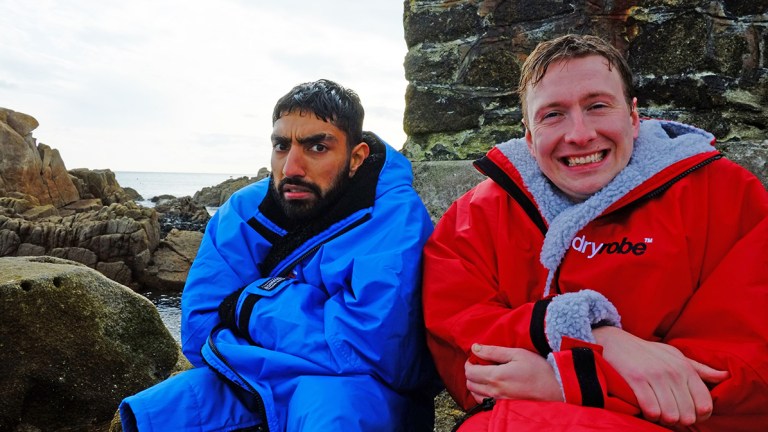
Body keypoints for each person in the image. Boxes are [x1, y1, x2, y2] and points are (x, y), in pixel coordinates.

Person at [422, 34, 768, 431]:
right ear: (529, 136)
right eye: (553, 114)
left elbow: (745, 366)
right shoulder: (478, 214)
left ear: (634, 116)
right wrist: (595, 336)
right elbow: (467, 352)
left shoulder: (723, 194)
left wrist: (571, 382)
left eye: (598, 106)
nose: (580, 134)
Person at [119, 79, 437, 431]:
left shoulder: (394, 216)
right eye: (282, 146)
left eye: (317, 147)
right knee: (160, 411)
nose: (291, 168)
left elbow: (375, 350)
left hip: (356, 390)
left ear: (356, 157)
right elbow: (199, 332)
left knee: (331, 414)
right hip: (254, 375)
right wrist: (320, 310)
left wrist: (252, 302)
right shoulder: (242, 211)